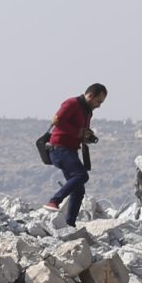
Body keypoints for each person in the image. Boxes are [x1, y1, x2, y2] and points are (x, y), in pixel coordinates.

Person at [44, 82, 107, 226]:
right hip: (59, 149)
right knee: (81, 175)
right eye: (98, 101)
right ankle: (54, 201)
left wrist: (86, 136)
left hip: (70, 150)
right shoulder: (72, 103)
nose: (99, 105)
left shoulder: (88, 111)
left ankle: (70, 224)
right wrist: (78, 132)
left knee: (78, 191)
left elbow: (80, 132)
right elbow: (56, 120)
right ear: (90, 95)